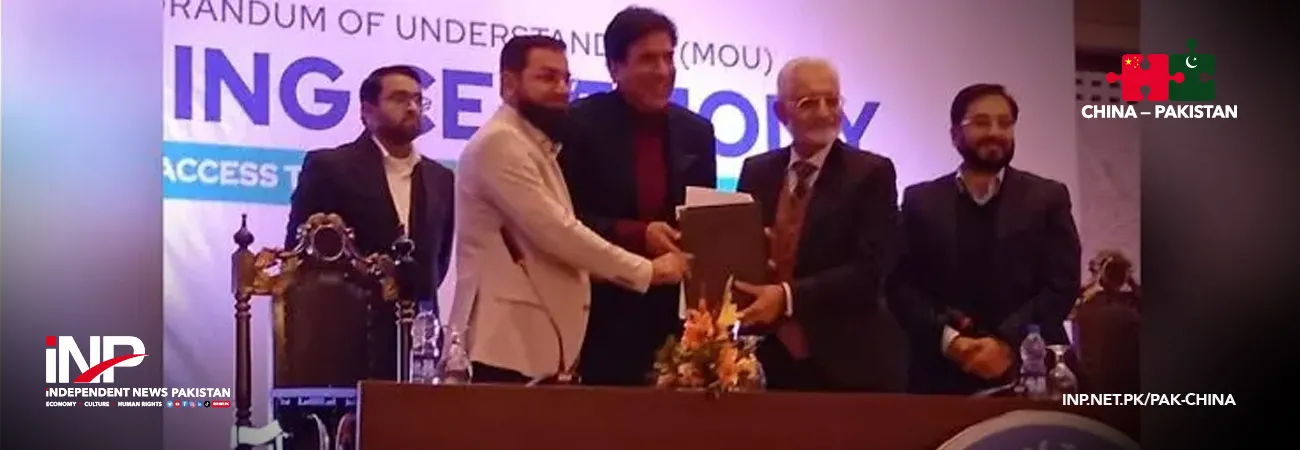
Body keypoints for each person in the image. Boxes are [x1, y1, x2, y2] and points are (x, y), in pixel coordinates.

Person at [449, 35, 691, 383]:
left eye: (566, 79)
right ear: (508, 84)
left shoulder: (535, 144)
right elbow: (559, 232)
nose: (562, 89)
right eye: (547, 78)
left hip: (534, 343)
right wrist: (648, 271)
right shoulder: (499, 143)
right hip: (503, 345)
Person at [888, 83, 1082, 395]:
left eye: (1004, 123)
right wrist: (951, 342)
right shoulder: (920, 201)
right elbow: (900, 284)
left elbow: (1062, 283)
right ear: (954, 134)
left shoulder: (1047, 198)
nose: (995, 132)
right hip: (939, 370)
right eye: (981, 122)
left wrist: (1006, 343)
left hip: (1030, 367)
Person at [559, 6, 718, 386]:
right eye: (648, 59)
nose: (663, 70)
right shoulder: (577, 124)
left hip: (674, 322)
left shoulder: (696, 131)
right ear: (615, 68)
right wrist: (638, 233)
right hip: (598, 314)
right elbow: (563, 221)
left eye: (668, 57)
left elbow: (703, 220)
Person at [730, 58, 905, 392]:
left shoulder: (872, 173)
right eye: (809, 102)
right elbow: (742, 254)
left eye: (833, 101)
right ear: (780, 112)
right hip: (765, 358)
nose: (825, 113)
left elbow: (870, 271)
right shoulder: (757, 171)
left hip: (845, 362)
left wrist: (786, 297)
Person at [285, 65, 455, 380]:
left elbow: (438, 261)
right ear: (366, 111)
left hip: (418, 347)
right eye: (399, 99)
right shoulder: (330, 167)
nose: (412, 107)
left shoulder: (441, 179)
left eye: (418, 100)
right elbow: (299, 255)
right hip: (344, 343)